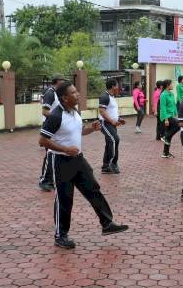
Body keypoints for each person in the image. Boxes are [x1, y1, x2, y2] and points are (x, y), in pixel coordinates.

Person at [40, 82, 128, 249]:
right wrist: (65, 149)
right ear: (65, 98)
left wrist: (91, 129)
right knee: (65, 199)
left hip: (78, 160)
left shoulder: (75, 112)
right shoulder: (55, 116)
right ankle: (61, 235)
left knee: (93, 189)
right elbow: (42, 140)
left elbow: (77, 131)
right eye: (74, 92)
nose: (78, 94)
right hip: (61, 162)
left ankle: (107, 223)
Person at [39, 76, 66, 191]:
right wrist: (56, 119)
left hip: (56, 128)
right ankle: (45, 180)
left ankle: (50, 178)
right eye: (62, 81)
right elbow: (45, 111)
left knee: (54, 153)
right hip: (50, 128)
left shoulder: (57, 93)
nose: (64, 83)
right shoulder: (50, 93)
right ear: (57, 82)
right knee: (50, 153)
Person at [99, 79, 126, 174]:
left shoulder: (112, 97)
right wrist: (112, 121)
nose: (118, 87)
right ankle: (113, 163)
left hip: (111, 123)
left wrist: (118, 119)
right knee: (115, 139)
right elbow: (102, 111)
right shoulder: (105, 97)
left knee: (110, 143)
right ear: (113, 86)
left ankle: (105, 167)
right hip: (105, 123)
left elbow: (111, 112)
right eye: (117, 85)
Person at [160, 80, 180, 158]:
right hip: (166, 116)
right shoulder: (163, 95)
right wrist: (166, 119)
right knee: (178, 124)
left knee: (169, 135)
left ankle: (165, 153)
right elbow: (163, 107)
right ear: (167, 85)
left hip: (171, 116)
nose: (172, 85)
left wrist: (175, 114)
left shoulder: (171, 94)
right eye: (171, 84)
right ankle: (165, 136)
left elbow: (174, 105)